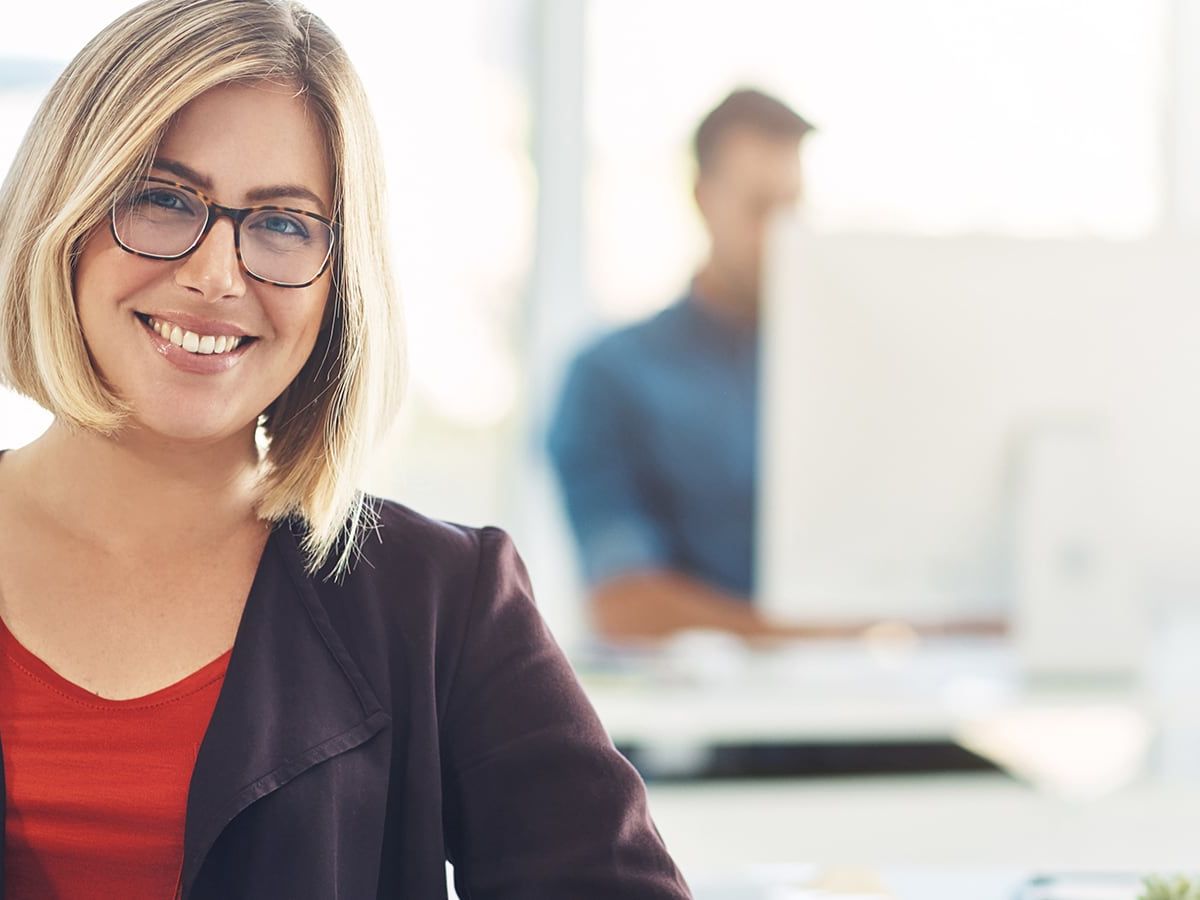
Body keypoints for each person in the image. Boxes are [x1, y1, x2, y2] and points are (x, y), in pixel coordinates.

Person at [0, 1, 691, 897]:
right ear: (66, 213)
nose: (217, 275)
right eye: (163, 198)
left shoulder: (441, 598)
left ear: (338, 281)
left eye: (284, 223)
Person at [548, 88, 821, 643]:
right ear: (703, 198)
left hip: (870, 700)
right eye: (760, 208)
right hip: (695, 720)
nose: (781, 236)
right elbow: (624, 605)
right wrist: (820, 635)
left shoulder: (839, 376)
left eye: (794, 209)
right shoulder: (610, 376)